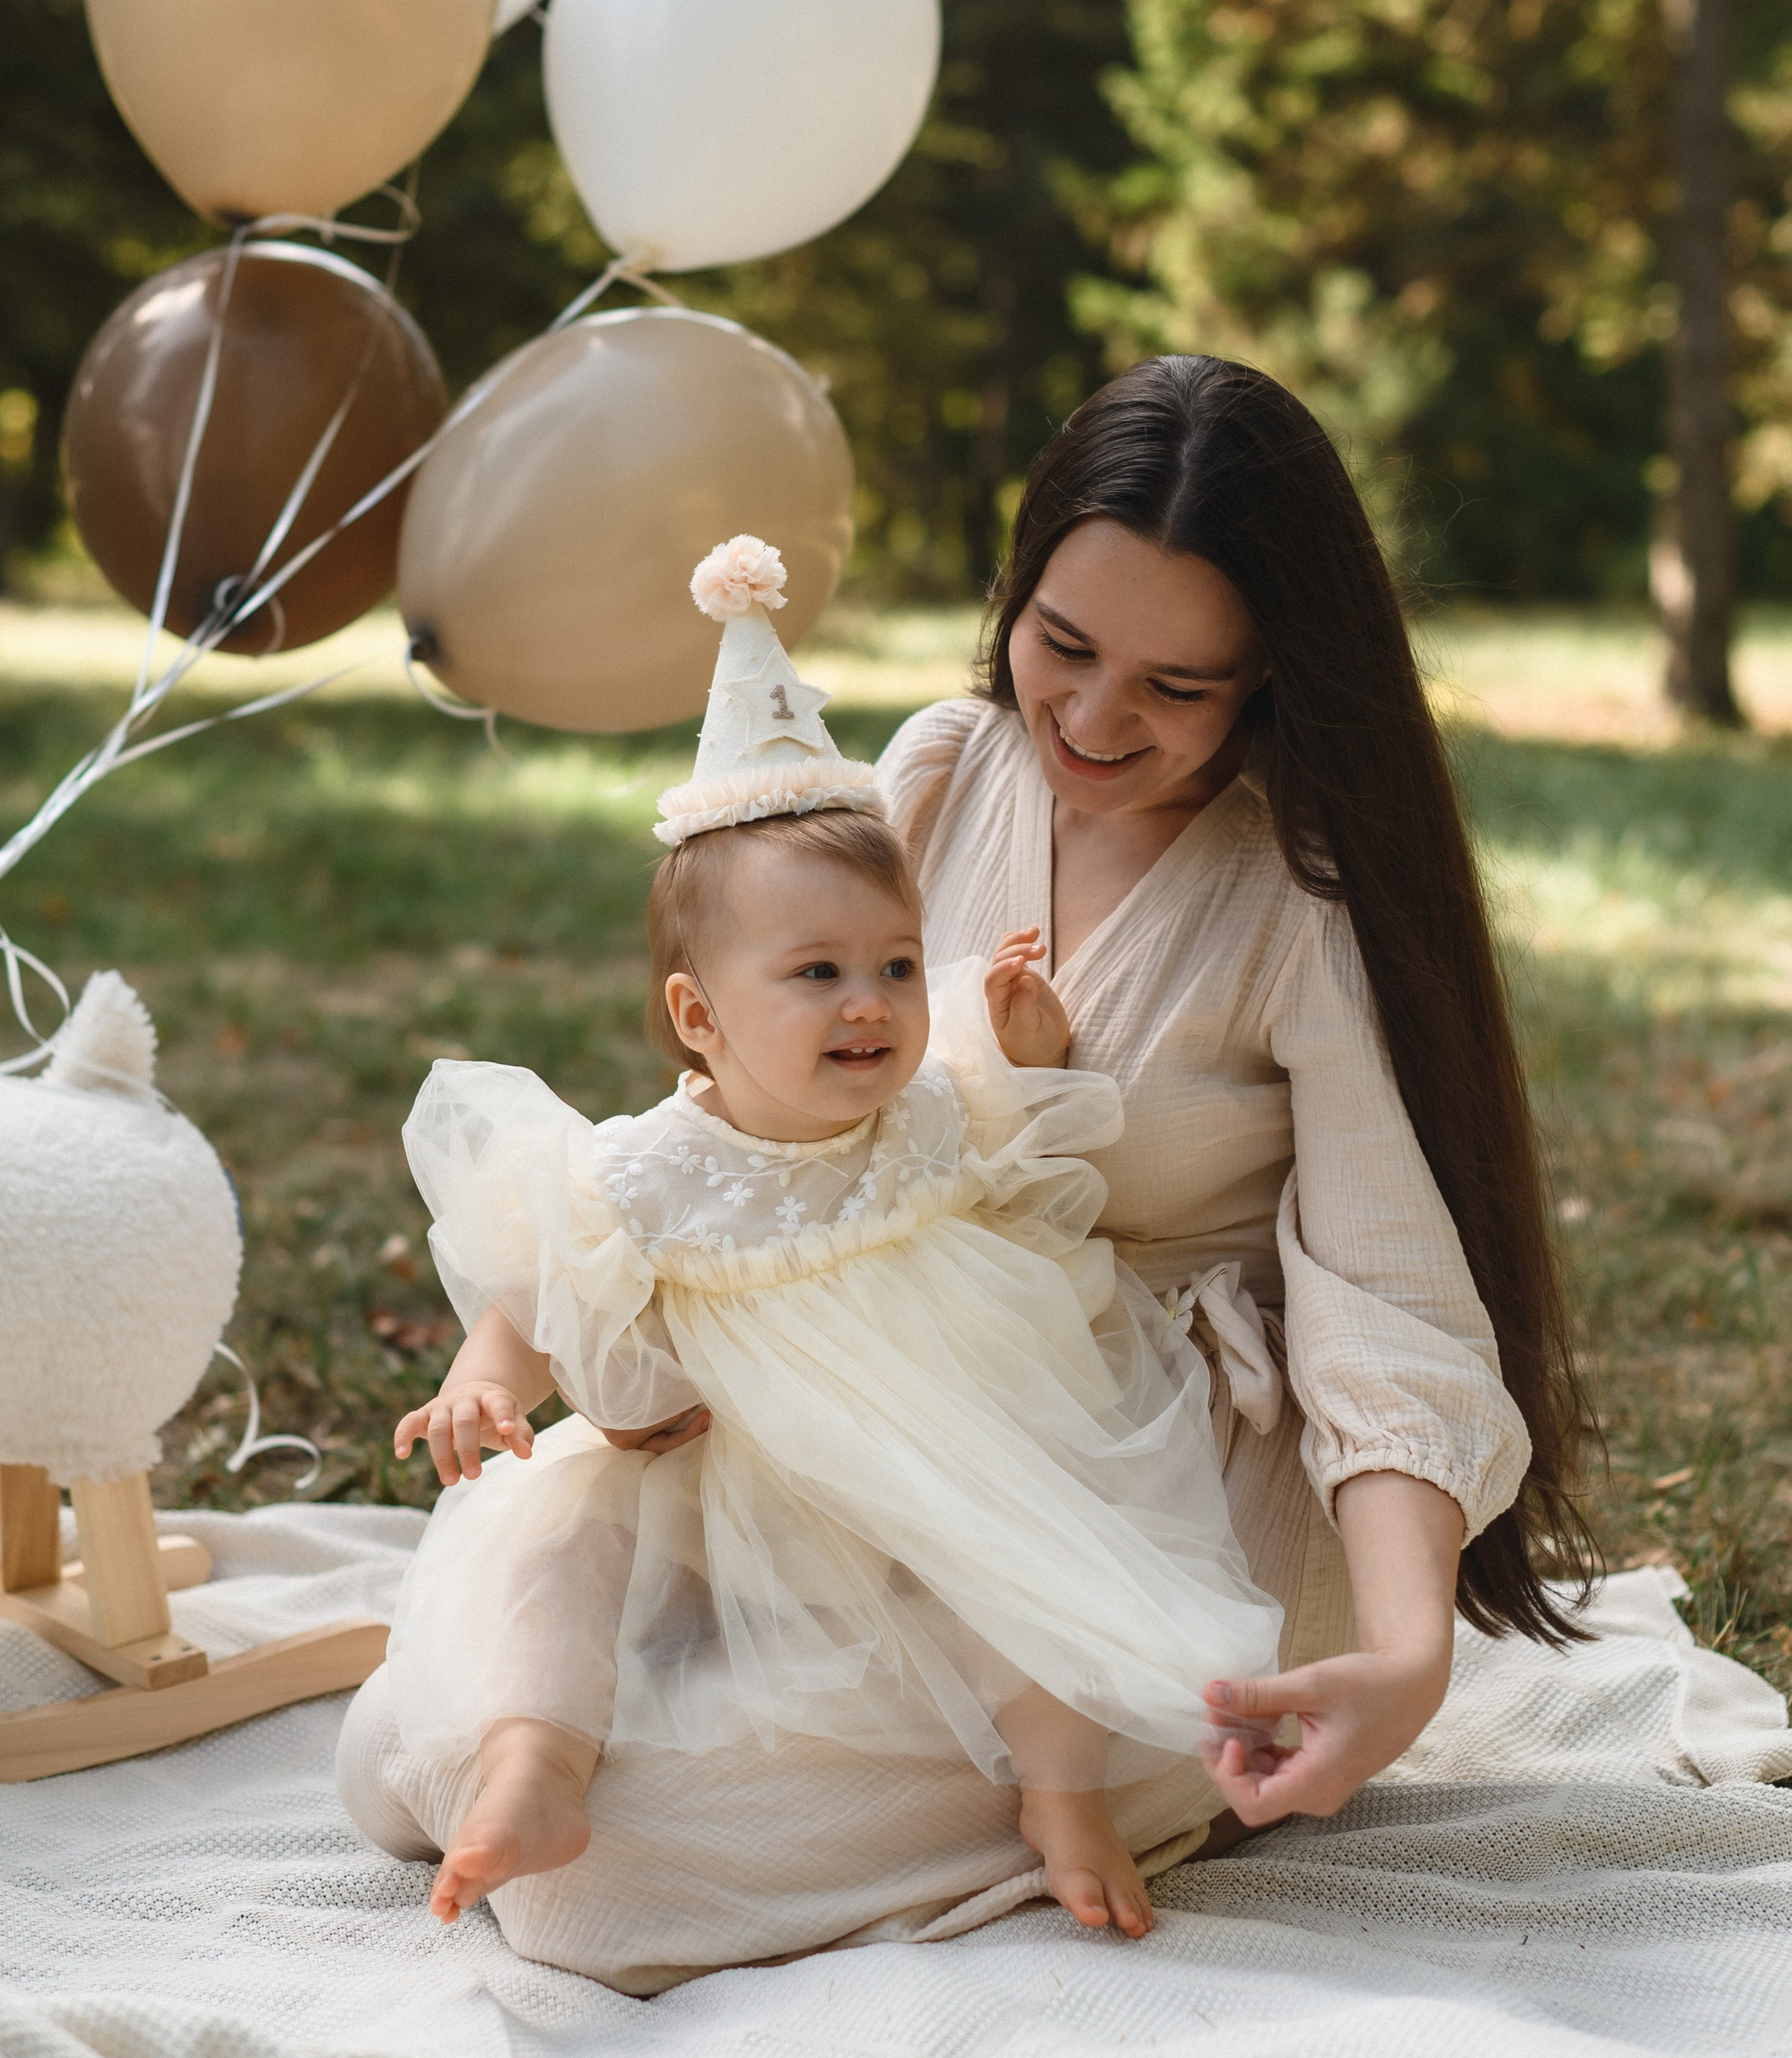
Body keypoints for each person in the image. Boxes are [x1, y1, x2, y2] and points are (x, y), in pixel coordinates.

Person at [339, 355, 1594, 1991]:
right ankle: (552, 1760)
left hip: (1125, 1464)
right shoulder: (940, 766)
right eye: (1061, 647)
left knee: (664, 1855)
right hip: (873, 1389)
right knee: (467, 1689)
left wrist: (1404, 1656)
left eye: (1175, 687)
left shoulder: (1294, 898)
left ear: (1274, 676)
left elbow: (1381, 1299)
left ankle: (1022, 1778)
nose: (1088, 719)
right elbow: (764, 1068)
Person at [380, 537, 1281, 1945]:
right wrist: (488, 1375)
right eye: (816, 976)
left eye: (897, 968)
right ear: (699, 1016)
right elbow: (542, 1268)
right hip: (713, 1472)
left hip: (914, 1452)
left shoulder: (920, 1117)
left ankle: (1060, 1789)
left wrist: (1026, 1046)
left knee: (1000, 1550)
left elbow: (1019, 1146)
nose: (870, 1006)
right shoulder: (653, 1164)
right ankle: (536, 1766)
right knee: (556, 1542)